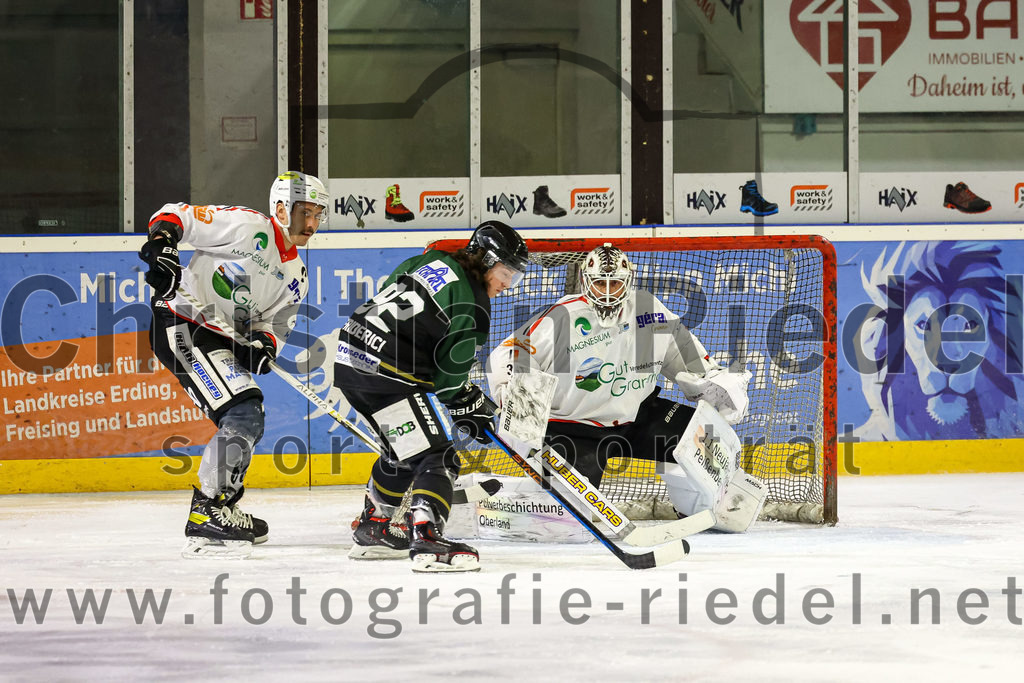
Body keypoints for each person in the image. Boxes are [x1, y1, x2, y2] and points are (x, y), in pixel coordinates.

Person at [486, 243, 765, 533]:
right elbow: (508, 354)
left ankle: (699, 509)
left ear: (628, 281)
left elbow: (683, 352)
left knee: (708, 441)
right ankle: (498, 510)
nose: (608, 292)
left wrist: (714, 380)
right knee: (564, 521)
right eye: (600, 283)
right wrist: (513, 396)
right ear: (586, 281)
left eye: (615, 283)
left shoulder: (647, 309)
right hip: (575, 430)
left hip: (639, 418)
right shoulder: (562, 317)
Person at [139, 171, 328, 558]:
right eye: (304, 212)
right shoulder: (247, 226)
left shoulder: (297, 275)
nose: (311, 223)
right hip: (181, 321)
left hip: (218, 336)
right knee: (242, 412)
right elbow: (175, 215)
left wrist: (263, 344)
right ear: (280, 209)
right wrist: (162, 246)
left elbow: (274, 325)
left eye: (317, 214)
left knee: (249, 416)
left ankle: (218, 506)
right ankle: (208, 510)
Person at [337, 220, 528, 572]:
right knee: (438, 456)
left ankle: (374, 527)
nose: (507, 285)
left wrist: (466, 400)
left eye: (513, 277)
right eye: (506, 273)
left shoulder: (431, 260)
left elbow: (389, 292)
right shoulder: (472, 304)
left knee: (406, 450)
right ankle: (427, 537)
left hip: (349, 357)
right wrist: (468, 405)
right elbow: (448, 383)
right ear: (486, 261)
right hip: (387, 372)